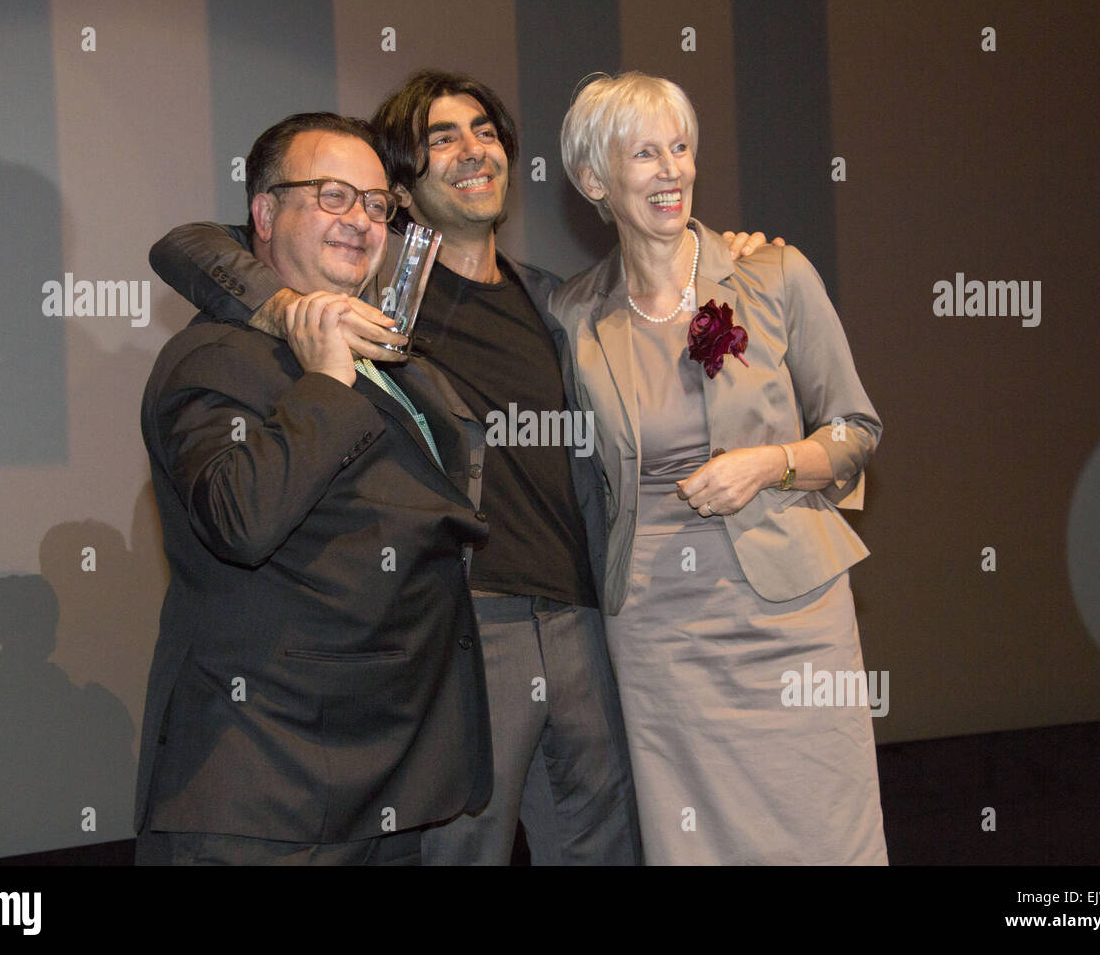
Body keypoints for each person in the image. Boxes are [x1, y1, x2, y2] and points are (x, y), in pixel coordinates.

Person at [148, 70, 771, 865]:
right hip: (469, 626)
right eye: (442, 138)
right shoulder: (376, 298)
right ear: (402, 190)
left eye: (486, 132)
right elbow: (191, 246)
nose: (474, 150)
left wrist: (729, 259)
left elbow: (667, 285)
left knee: (604, 847)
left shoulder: (562, 304)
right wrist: (281, 305)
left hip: (581, 619)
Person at [135, 112, 491, 865]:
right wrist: (327, 379)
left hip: (382, 783)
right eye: (332, 196)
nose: (360, 220)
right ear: (264, 215)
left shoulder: (387, 354)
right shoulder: (213, 358)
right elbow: (240, 519)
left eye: (374, 203)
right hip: (267, 790)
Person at [551, 72, 888, 864]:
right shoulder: (573, 316)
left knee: (827, 833)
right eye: (644, 153)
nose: (672, 170)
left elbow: (857, 429)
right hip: (661, 635)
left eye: (681, 147)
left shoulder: (772, 274)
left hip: (793, 619)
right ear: (594, 180)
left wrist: (771, 462)